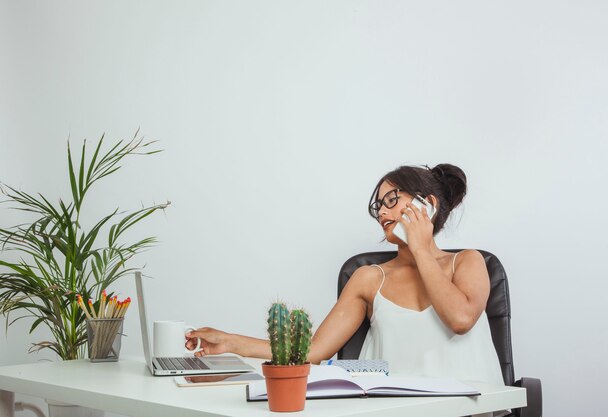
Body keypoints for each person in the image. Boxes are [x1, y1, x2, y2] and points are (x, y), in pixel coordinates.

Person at [186, 163, 504, 390]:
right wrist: (230, 342)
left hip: (467, 410)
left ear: (428, 204)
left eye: (392, 200)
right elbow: (313, 352)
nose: (381, 212)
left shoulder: (469, 262)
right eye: (378, 205)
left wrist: (420, 247)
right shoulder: (368, 278)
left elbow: (460, 319)